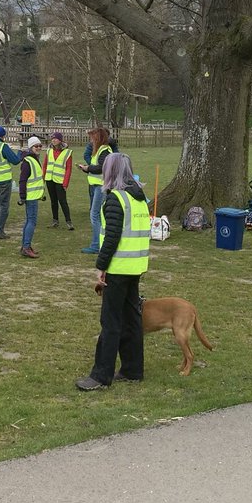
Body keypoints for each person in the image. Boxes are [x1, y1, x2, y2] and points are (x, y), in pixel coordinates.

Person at [75, 152, 150, 391]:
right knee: (131, 319)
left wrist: (101, 266)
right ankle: (132, 370)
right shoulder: (139, 197)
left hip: (118, 268)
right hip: (135, 266)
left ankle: (100, 376)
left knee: (111, 322)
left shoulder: (116, 199)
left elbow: (112, 237)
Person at [77, 127, 114, 255]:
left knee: (95, 215)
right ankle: (100, 243)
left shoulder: (104, 150)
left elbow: (103, 168)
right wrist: (87, 168)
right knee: (99, 216)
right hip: (97, 186)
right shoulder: (100, 150)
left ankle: (96, 245)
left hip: (101, 187)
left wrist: (88, 168)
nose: (91, 140)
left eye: (92, 137)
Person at [17, 136, 45, 258]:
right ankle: (26, 247)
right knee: (31, 222)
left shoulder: (33, 159)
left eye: (40, 146)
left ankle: (25, 246)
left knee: (29, 221)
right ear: (31, 147)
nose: (38, 148)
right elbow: (22, 180)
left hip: (34, 195)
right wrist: (22, 196)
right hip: (30, 197)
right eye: (36, 146)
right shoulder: (28, 161)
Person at [43, 131, 74, 230]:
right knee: (53, 201)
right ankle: (55, 221)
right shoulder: (49, 151)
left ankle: (69, 222)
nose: (53, 140)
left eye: (55, 138)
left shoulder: (67, 152)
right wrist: (43, 177)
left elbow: (68, 169)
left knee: (62, 201)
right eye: (52, 138)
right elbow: (45, 165)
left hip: (60, 181)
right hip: (49, 179)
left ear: (60, 140)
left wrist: (66, 183)